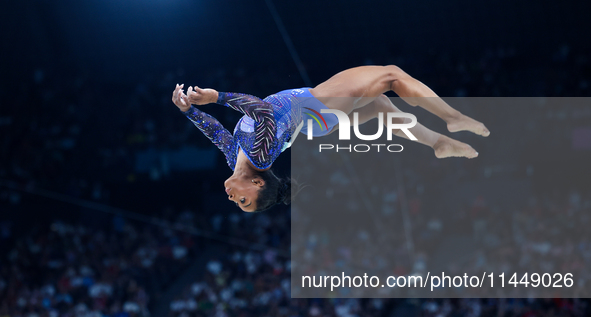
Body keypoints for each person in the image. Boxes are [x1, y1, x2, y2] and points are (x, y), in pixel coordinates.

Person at [172, 65, 489, 212]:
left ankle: (437, 143)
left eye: (238, 203)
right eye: (244, 201)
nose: (233, 199)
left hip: (313, 119)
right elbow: (265, 114)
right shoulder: (260, 156)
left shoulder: (235, 158)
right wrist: (219, 96)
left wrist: (188, 111)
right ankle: (453, 118)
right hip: (316, 108)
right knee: (391, 76)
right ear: (257, 184)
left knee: (381, 105)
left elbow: (216, 131)